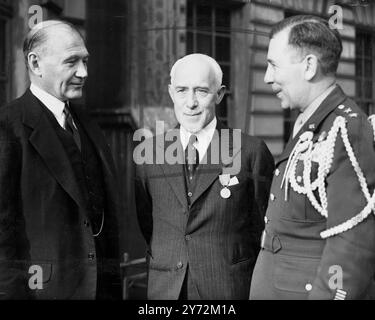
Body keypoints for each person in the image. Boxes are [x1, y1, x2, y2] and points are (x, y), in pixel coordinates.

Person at [250, 15, 375, 300]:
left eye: (273, 65)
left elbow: (351, 243)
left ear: (309, 66)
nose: (267, 77)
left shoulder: (345, 128)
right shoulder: (312, 121)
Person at [134, 53, 274, 299]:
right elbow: (148, 223)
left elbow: (261, 228)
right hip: (166, 290)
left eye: (201, 91)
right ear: (170, 92)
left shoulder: (249, 151)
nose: (190, 103)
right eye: (181, 91)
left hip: (226, 289)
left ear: (219, 94)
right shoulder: (150, 154)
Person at [0, 20, 121, 299]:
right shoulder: (7, 126)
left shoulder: (88, 122)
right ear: (36, 64)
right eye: (72, 62)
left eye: (86, 60)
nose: (84, 72)